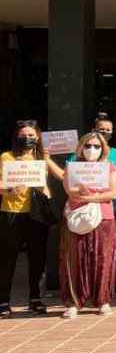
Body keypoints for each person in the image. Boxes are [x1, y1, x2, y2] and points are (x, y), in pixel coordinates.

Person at [1, 120, 64, 318]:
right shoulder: (7, 157)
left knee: (37, 257)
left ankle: (35, 298)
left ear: (38, 137)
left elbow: (63, 177)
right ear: (16, 136)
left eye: (31, 135)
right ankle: (3, 300)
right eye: (23, 135)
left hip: (37, 213)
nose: (27, 138)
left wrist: (47, 162)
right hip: (12, 210)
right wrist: (9, 190)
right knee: (7, 258)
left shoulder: (41, 159)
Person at [60, 132, 116, 319]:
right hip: (77, 217)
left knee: (103, 259)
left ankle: (103, 300)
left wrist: (90, 197)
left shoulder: (109, 167)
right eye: (88, 146)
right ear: (80, 147)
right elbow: (69, 190)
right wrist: (79, 191)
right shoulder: (73, 168)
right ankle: (73, 302)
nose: (92, 150)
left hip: (104, 218)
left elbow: (112, 193)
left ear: (103, 149)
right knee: (75, 259)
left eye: (96, 146)